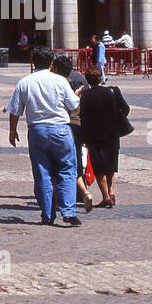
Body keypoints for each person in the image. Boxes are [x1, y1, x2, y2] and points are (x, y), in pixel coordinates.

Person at [6, 47, 82, 226]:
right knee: (67, 170)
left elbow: (15, 110)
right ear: (52, 63)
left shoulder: (24, 82)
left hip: (37, 130)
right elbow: (73, 105)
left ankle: (47, 215)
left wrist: (12, 130)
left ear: (33, 62)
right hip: (60, 129)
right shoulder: (60, 81)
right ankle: (69, 212)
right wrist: (76, 95)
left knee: (42, 173)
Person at [79, 65, 131, 209]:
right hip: (112, 133)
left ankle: (106, 197)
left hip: (94, 135)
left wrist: (83, 137)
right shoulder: (113, 90)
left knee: (99, 168)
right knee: (111, 165)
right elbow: (126, 109)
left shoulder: (85, 95)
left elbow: (83, 117)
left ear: (88, 80)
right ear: (101, 77)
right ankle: (112, 191)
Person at [50, 54, 93, 211]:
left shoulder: (55, 82)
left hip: (63, 125)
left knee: (60, 162)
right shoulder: (80, 78)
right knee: (76, 159)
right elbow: (87, 101)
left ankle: (62, 198)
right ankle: (80, 193)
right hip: (79, 125)